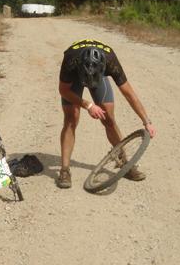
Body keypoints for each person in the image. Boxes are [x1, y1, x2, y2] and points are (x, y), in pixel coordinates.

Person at [57, 38, 156, 189]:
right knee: (71, 119)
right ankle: (64, 170)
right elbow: (63, 90)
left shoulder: (110, 60)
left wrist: (146, 121)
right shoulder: (71, 59)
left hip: (100, 75)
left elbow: (129, 94)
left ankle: (126, 164)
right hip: (76, 75)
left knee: (109, 119)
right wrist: (88, 105)